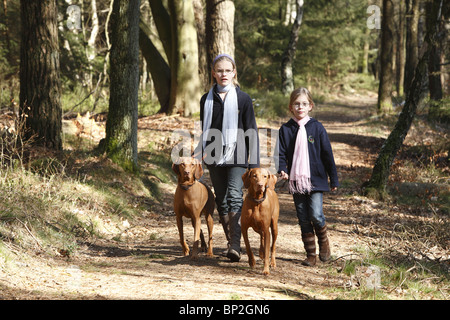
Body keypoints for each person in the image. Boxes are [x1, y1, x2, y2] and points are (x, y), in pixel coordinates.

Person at [196, 54, 259, 262]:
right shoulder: (206, 99)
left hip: (238, 153)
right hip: (213, 154)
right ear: (213, 74)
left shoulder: (243, 99)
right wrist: (199, 152)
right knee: (221, 199)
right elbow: (205, 129)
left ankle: (235, 245)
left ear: (234, 73)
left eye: (227, 70)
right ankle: (231, 241)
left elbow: (252, 130)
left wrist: (255, 163)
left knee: (234, 195)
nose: (223, 74)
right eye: (219, 71)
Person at [276, 87, 338, 266]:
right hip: (296, 180)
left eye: (304, 104)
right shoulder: (286, 129)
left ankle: (324, 242)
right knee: (303, 217)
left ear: (310, 106)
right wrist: (282, 169)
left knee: (316, 215)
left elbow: (327, 154)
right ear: (291, 107)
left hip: (316, 179)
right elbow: (280, 153)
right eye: (296, 104)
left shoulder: (317, 128)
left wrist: (333, 178)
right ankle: (311, 255)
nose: (300, 107)